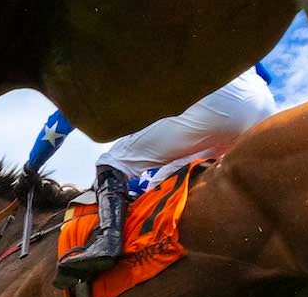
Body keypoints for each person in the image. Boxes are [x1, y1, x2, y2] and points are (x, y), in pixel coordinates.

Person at [34, 67, 278, 282]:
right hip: (264, 102)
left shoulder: (101, 59)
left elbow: (60, 123)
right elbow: (265, 74)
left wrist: (30, 169)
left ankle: (108, 243)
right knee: (167, 178)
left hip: (221, 101)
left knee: (112, 163)